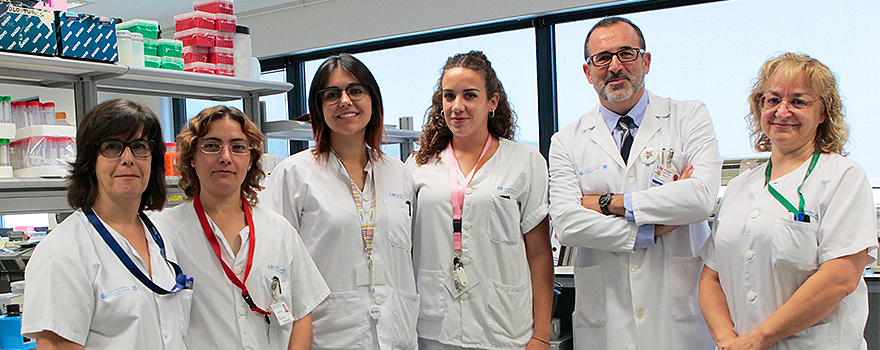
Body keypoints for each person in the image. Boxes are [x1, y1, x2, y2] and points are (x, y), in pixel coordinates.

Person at [548, 17, 721, 349]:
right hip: (607, 321)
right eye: (602, 58)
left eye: (626, 53)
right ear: (588, 72)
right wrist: (649, 231)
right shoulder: (567, 140)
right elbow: (569, 224)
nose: (614, 66)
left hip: (678, 320)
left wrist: (608, 203)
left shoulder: (688, 117)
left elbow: (700, 199)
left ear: (646, 61)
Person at [698, 53, 877, 350]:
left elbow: (840, 278)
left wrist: (758, 339)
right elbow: (711, 278)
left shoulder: (843, 176)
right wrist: (726, 340)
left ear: (823, 113)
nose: (782, 111)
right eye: (772, 100)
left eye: (798, 101)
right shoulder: (740, 187)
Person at [260, 53, 419, 350]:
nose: (345, 101)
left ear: (373, 100)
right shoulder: (295, 175)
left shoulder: (399, 173)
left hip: (396, 334)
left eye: (356, 90)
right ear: (319, 109)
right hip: (329, 336)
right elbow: (273, 264)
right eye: (332, 94)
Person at [406, 50, 553, 350]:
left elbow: (538, 253)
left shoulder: (525, 161)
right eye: (449, 96)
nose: (457, 107)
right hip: (436, 326)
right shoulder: (419, 164)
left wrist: (541, 335)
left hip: (504, 326)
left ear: (492, 103)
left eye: (469, 95)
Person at [152, 106, 329, 350]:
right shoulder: (162, 232)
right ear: (191, 157)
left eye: (237, 147)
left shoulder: (278, 230)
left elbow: (302, 313)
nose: (225, 157)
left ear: (250, 161)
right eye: (212, 146)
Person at [21, 98, 192, 349]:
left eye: (139, 146)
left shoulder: (161, 235)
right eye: (112, 147)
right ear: (91, 162)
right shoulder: (61, 253)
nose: (128, 158)